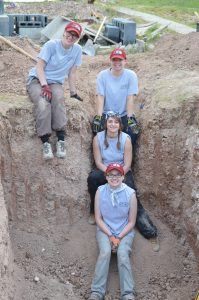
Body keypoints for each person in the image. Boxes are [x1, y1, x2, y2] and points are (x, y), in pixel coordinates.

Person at [87, 113, 159, 251]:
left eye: (116, 122)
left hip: (123, 172)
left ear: (120, 125)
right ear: (106, 124)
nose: (113, 124)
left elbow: (127, 163)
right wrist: (110, 174)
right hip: (105, 170)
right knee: (93, 178)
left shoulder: (126, 139)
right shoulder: (98, 138)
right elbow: (98, 162)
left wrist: (118, 175)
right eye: (110, 121)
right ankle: (93, 211)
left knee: (132, 196)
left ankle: (150, 233)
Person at [26, 21, 83, 160]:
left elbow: (72, 73)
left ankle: (61, 139)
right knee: (43, 102)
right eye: (69, 33)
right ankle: (45, 141)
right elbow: (39, 67)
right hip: (37, 79)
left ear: (77, 38)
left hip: (55, 82)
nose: (71, 37)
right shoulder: (51, 45)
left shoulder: (77, 50)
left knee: (58, 98)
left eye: (75, 35)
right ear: (64, 32)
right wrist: (44, 86)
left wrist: (73, 92)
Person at [88, 162, 137, 300]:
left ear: (123, 176)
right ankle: (97, 292)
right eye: (111, 174)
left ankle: (128, 294)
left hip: (124, 231)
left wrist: (119, 237)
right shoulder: (100, 191)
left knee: (122, 254)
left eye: (117, 175)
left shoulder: (130, 194)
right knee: (105, 252)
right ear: (106, 176)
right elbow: (98, 218)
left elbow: (132, 222)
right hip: (105, 229)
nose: (114, 178)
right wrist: (110, 236)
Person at [92, 47, 140, 146]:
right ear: (110, 61)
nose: (117, 63)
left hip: (123, 114)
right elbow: (100, 97)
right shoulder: (102, 76)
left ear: (125, 61)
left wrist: (130, 118)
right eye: (114, 60)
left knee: (134, 132)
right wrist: (99, 117)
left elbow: (130, 97)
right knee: (97, 131)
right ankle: (101, 157)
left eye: (120, 60)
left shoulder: (131, 75)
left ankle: (127, 157)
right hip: (106, 114)